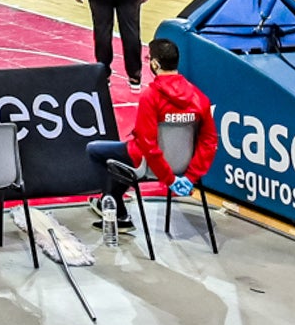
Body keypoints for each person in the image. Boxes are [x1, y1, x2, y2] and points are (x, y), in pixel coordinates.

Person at [85, 38, 217, 231]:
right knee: (121, 155)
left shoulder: (151, 96)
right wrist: (190, 177)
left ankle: (114, 207)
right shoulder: (199, 97)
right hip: (184, 166)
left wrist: (169, 179)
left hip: (148, 165)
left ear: (155, 64)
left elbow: (148, 144)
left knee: (96, 150)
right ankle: (112, 200)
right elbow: (209, 141)